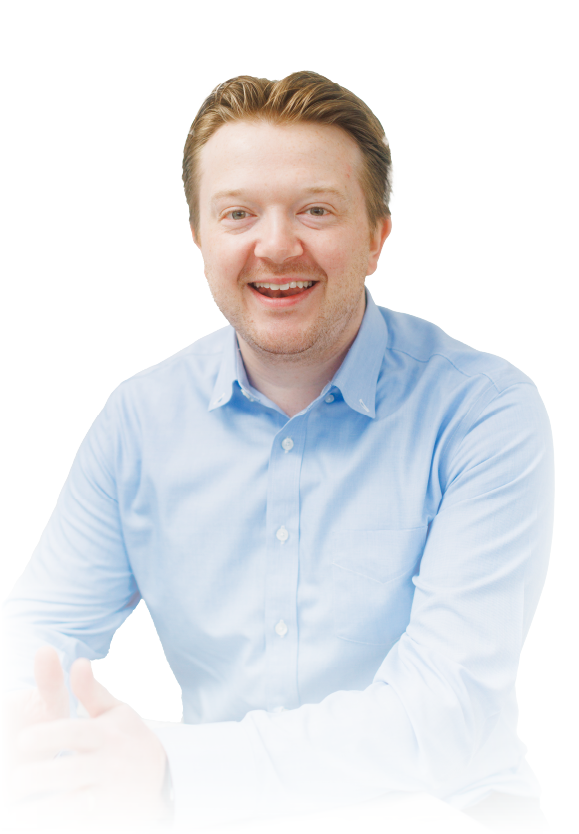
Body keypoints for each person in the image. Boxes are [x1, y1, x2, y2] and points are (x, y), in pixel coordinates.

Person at [1, 71, 554, 830]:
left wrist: (166, 766)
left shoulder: (482, 411)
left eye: (316, 210)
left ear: (376, 235)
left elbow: (445, 712)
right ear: (199, 237)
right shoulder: (140, 419)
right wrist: (53, 738)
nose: (275, 245)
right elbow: (35, 631)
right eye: (237, 213)